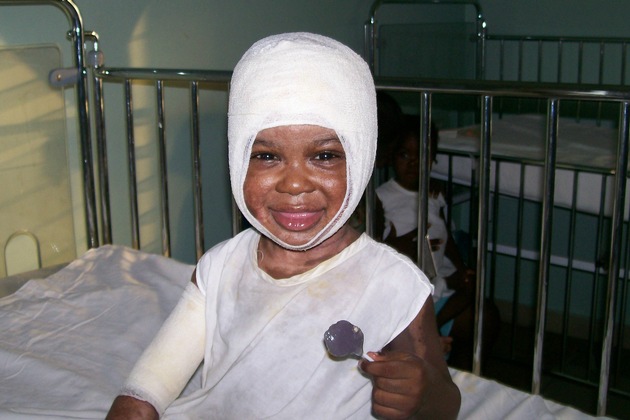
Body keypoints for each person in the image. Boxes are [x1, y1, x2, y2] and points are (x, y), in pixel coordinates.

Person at [106, 32, 460, 419]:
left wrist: (422, 395)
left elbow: (445, 404)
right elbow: (147, 388)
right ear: (237, 158)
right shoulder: (221, 268)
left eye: (324, 155)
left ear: (362, 158)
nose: (294, 184)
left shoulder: (393, 283)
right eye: (266, 156)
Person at [375, 114, 499, 371]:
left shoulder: (434, 195)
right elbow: (376, 251)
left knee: (484, 310)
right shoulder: (382, 198)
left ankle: (454, 366)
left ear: (432, 158)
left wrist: (461, 267)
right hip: (406, 290)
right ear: (392, 157)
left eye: (422, 155)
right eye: (404, 155)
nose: (413, 162)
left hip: (438, 283)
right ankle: (431, 335)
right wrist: (400, 245)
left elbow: (447, 237)